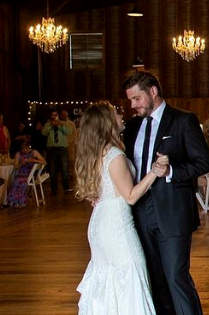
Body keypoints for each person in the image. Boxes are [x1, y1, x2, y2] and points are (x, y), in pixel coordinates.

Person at [121, 70, 209, 314]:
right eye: (130, 100)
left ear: (153, 92)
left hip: (173, 211)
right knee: (155, 278)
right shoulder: (132, 127)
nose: (133, 105)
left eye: (136, 99)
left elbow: (204, 163)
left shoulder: (183, 120)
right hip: (139, 211)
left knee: (175, 277)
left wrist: (171, 171)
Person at [74, 102, 160, 314]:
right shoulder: (114, 155)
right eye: (116, 113)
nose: (121, 115)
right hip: (117, 228)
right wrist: (155, 172)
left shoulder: (97, 153)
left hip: (100, 221)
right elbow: (130, 196)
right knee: (130, 275)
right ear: (107, 122)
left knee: (109, 282)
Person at [5, 140, 46, 207]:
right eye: (23, 148)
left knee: (21, 181)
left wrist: (33, 160)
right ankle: (13, 201)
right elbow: (15, 167)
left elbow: (44, 162)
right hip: (20, 173)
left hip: (30, 174)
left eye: (27, 148)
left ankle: (21, 201)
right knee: (16, 182)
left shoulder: (34, 152)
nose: (25, 150)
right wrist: (21, 163)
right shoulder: (18, 154)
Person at [45, 110, 72, 195]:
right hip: (51, 149)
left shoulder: (63, 123)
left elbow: (69, 132)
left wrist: (60, 125)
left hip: (62, 149)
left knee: (65, 169)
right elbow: (43, 132)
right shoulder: (48, 124)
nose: (54, 116)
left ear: (58, 116)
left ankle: (66, 188)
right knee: (52, 170)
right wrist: (51, 125)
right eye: (52, 115)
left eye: (56, 115)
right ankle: (54, 190)